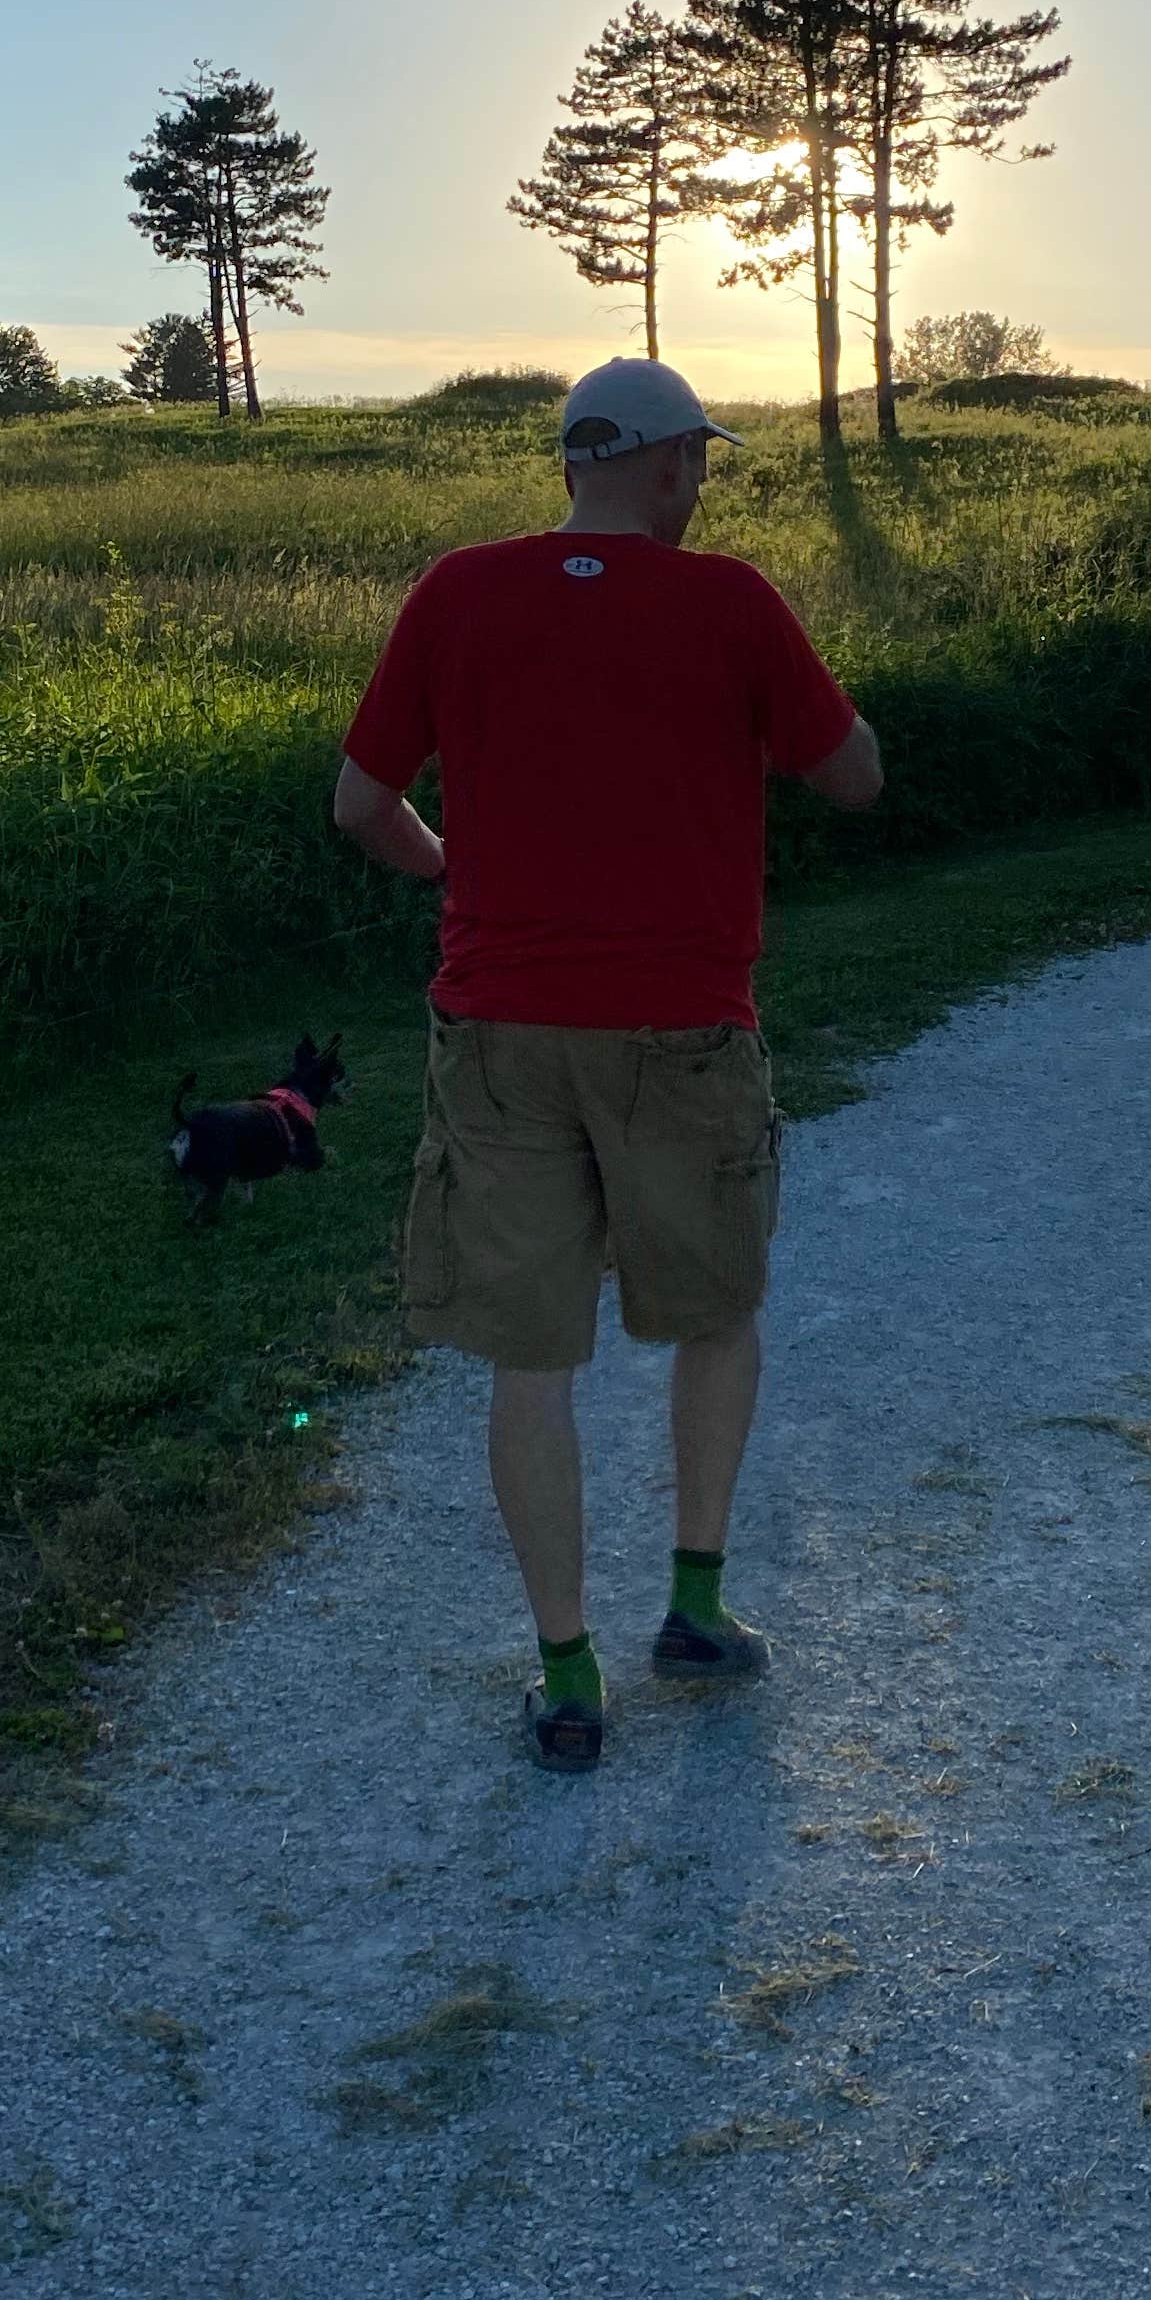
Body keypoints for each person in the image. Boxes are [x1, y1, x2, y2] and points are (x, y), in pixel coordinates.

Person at [332, 355, 884, 1771]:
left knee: (533, 1357)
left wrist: (457, 870)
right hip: (684, 1031)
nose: (699, 484)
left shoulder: (458, 592)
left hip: (502, 1034)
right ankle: (695, 1609)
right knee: (713, 1312)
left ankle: (567, 1673)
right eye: (695, 460)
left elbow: (360, 803)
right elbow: (855, 777)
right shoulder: (731, 603)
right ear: (661, 465)